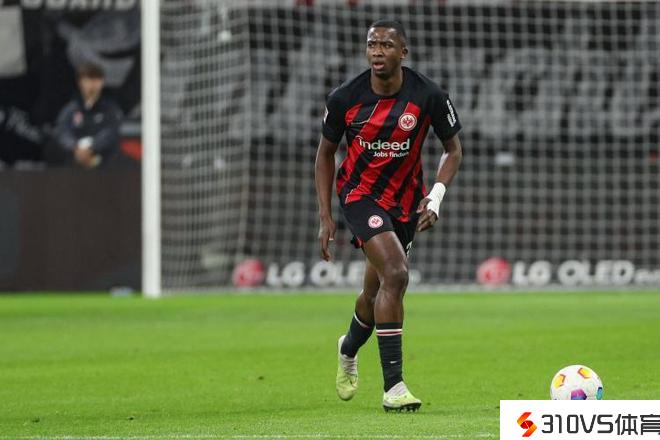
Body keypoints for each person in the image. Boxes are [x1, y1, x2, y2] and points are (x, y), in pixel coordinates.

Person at [314, 20, 463, 412]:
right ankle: (394, 387)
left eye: (386, 45)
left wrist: (435, 196)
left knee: (375, 291)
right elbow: (325, 154)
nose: (377, 51)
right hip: (360, 195)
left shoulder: (428, 95)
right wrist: (326, 215)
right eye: (372, 44)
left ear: (403, 52)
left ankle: (348, 347)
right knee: (396, 273)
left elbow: (453, 150)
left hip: (406, 203)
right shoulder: (345, 97)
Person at [49, 62, 122, 168]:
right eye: (88, 79)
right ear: (80, 82)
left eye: (96, 80)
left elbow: (111, 132)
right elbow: (62, 131)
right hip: (74, 163)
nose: (92, 84)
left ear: (102, 82)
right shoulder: (70, 109)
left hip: (105, 166)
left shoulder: (110, 109)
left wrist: (92, 147)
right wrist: (75, 147)